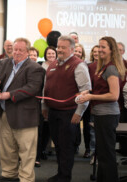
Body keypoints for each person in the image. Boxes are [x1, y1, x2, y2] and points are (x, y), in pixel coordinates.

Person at [0, 38, 45, 182]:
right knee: (7, 148)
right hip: (5, 113)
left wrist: (9, 94)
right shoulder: (6, 62)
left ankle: (26, 178)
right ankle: (9, 174)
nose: (17, 52)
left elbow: (32, 88)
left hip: (24, 116)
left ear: (27, 51)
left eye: (21, 50)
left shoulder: (35, 68)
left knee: (27, 151)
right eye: (15, 49)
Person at [43, 35, 91, 182]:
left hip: (69, 113)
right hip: (53, 112)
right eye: (58, 47)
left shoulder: (79, 65)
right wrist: (44, 106)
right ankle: (60, 173)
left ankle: (65, 177)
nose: (59, 50)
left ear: (71, 49)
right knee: (58, 145)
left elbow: (85, 91)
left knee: (66, 147)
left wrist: (79, 112)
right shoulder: (52, 64)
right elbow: (47, 88)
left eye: (63, 47)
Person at [78, 36, 125, 182]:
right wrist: (89, 93)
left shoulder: (110, 68)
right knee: (103, 153)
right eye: (99, 46)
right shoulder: (102, 66)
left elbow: (114, 95)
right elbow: (101, 90)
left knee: (107, 154)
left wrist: (91, 98)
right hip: (100, 114)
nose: (100, 49)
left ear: (112, 50)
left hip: (107, 115)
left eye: (103, 47)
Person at [87, 45, 99, 164]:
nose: (97, 53)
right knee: (93, 131)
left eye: (98, 51)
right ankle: (93, 154)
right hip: (92, 102)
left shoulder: (110, 67)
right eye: (94, 51)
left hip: (105, 104)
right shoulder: (90, 67)